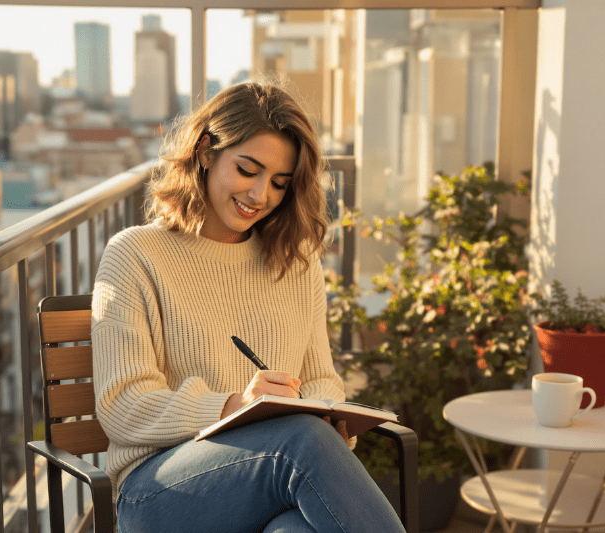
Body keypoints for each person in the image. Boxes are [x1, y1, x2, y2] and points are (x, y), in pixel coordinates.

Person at [92, 82, 404, 533]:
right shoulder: (136, 256)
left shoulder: (296, 264)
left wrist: (327, 414)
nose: (260, 195)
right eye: (247, 170)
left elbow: (320, 379)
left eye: (279, 182)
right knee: (300, 441)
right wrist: (235, 405)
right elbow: (123, 405)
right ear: (204, 152)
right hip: (158, 494)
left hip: (270, 486)